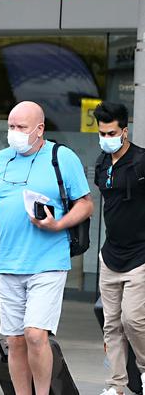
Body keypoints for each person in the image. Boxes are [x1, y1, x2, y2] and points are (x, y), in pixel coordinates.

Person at [0, 101, 93, 395]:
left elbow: (86, 204)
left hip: (48, 262)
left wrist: (59, 224)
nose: (14, 133)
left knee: (35, 335)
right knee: (14, 340)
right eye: (11, 127)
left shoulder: (61, 158)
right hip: (9, 264)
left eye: (21, 127)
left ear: (39, 129)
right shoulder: (0, 160)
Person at [93, 101, 145, 395]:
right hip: (110, 255)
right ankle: (116, 385)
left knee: (133, 320)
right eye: (101, 132)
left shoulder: (141, 161)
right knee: (111, 325)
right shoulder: (102, 162)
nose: (105, 138)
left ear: (124, 131)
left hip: (140, 255)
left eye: (111, 132)